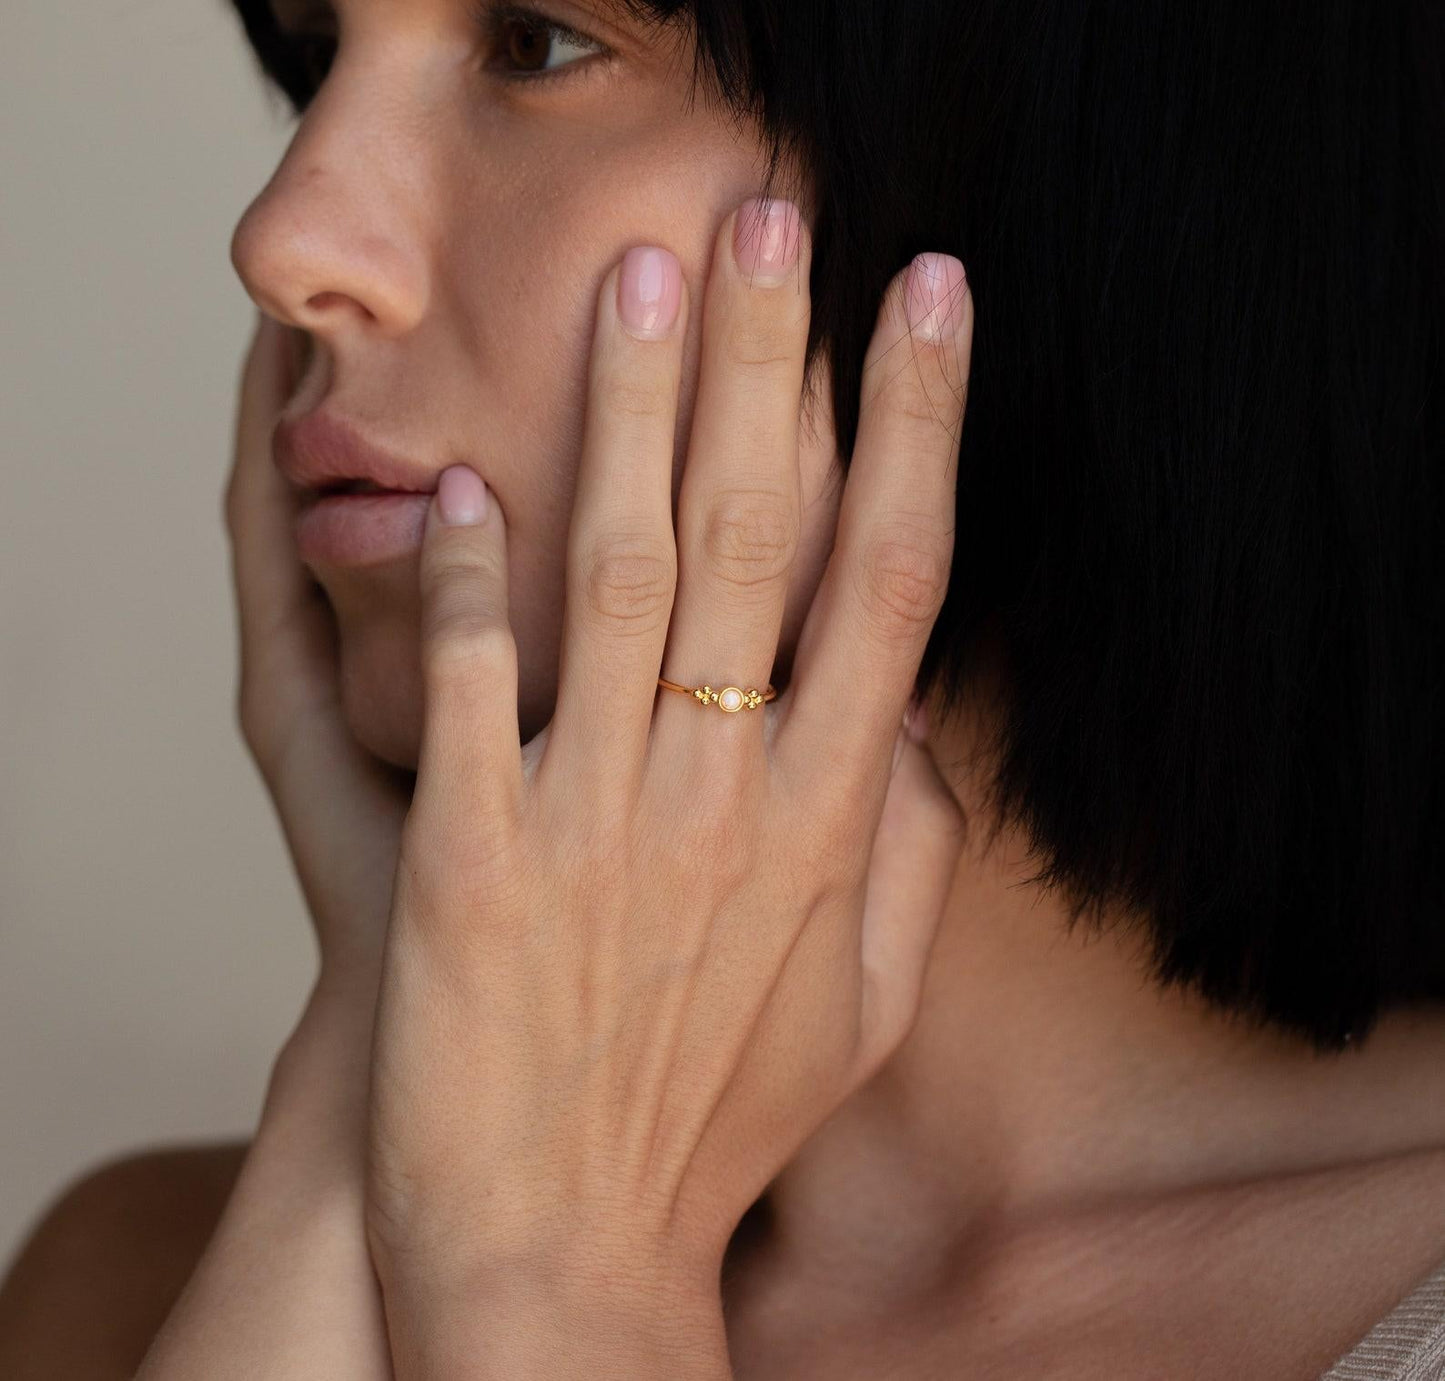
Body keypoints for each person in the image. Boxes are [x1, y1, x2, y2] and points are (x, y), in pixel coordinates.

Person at [2, 0, 1442, 1375]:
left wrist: (555, 1287)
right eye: (318, 54)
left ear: (1082, 170)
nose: (282, 237)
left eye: (534, 39)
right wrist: (378, 1032)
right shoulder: (128, 1286)